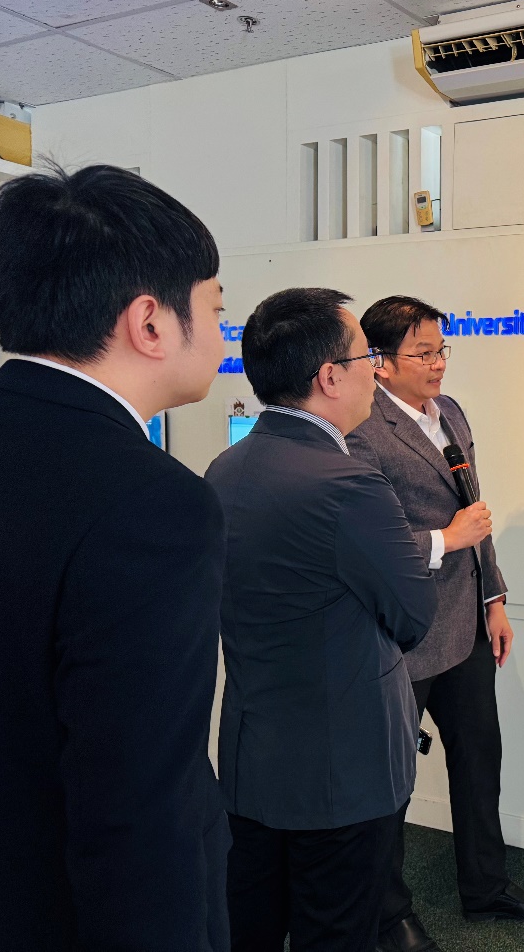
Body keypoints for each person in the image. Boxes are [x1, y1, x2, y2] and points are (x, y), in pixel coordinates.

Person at [0, 165, 230, 951]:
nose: (222, 336)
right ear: (150, 322)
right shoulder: (154, 505)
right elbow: (137, 812)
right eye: (216, 309)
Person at [206, 288, 439, 952]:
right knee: (335, 931)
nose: (376, 369)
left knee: (250, 927)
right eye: (367, 356)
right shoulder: (348, 485)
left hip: (253, 760)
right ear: (329, 377)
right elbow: (414, 616)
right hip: (344, 770)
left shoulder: (224, 469)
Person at [347, 296, 524, 952]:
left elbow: (477, 513)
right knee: (392, 779)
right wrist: (447, 538)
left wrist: (494, 597)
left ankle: (486, 886)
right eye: (423, 353)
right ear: (381, 362)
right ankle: (389, 914)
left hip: (466, 622)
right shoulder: (362, 429)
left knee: (479, 757)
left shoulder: (451, 413)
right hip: (404, 631)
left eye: (442, 349)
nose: (439, 363)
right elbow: (368, 543)